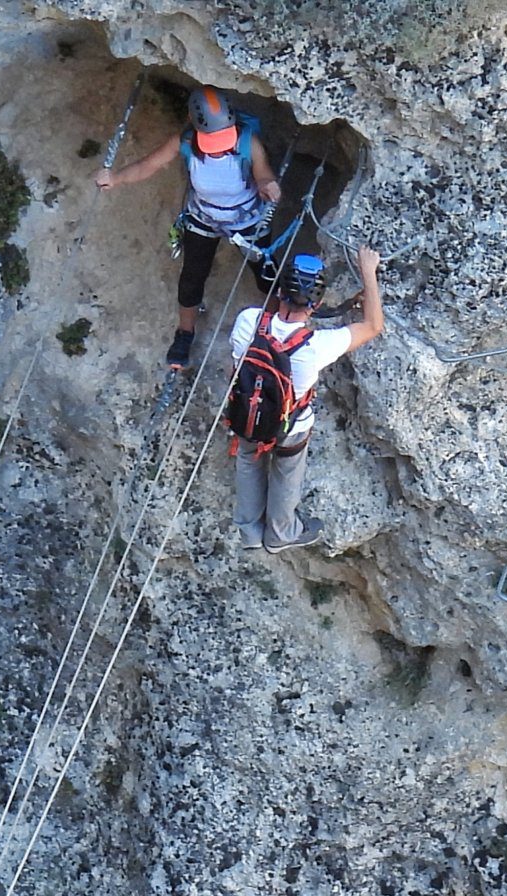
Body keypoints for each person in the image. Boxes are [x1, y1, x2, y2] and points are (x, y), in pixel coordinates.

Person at [94, 85, 287, 375]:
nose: (220, 145)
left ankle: (277, 335)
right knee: (192, 277)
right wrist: (117, 178)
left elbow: (263, 174)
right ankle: (184, 335)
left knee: (266, 277)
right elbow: (150, 165)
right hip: (204, 216)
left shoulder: (248, 142)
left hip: (247, 218)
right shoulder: (185, 141)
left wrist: (268, 186)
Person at [222, 246, 384, 554]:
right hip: (290, 425)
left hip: (246, 410)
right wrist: (368, 273)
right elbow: (373, 326)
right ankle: (279, 535)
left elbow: (238, 362)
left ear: (280, 289)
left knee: (248, 458)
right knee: (286, 472)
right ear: (318, 303)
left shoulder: (248, 321)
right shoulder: (317, 346)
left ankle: (250, 532)